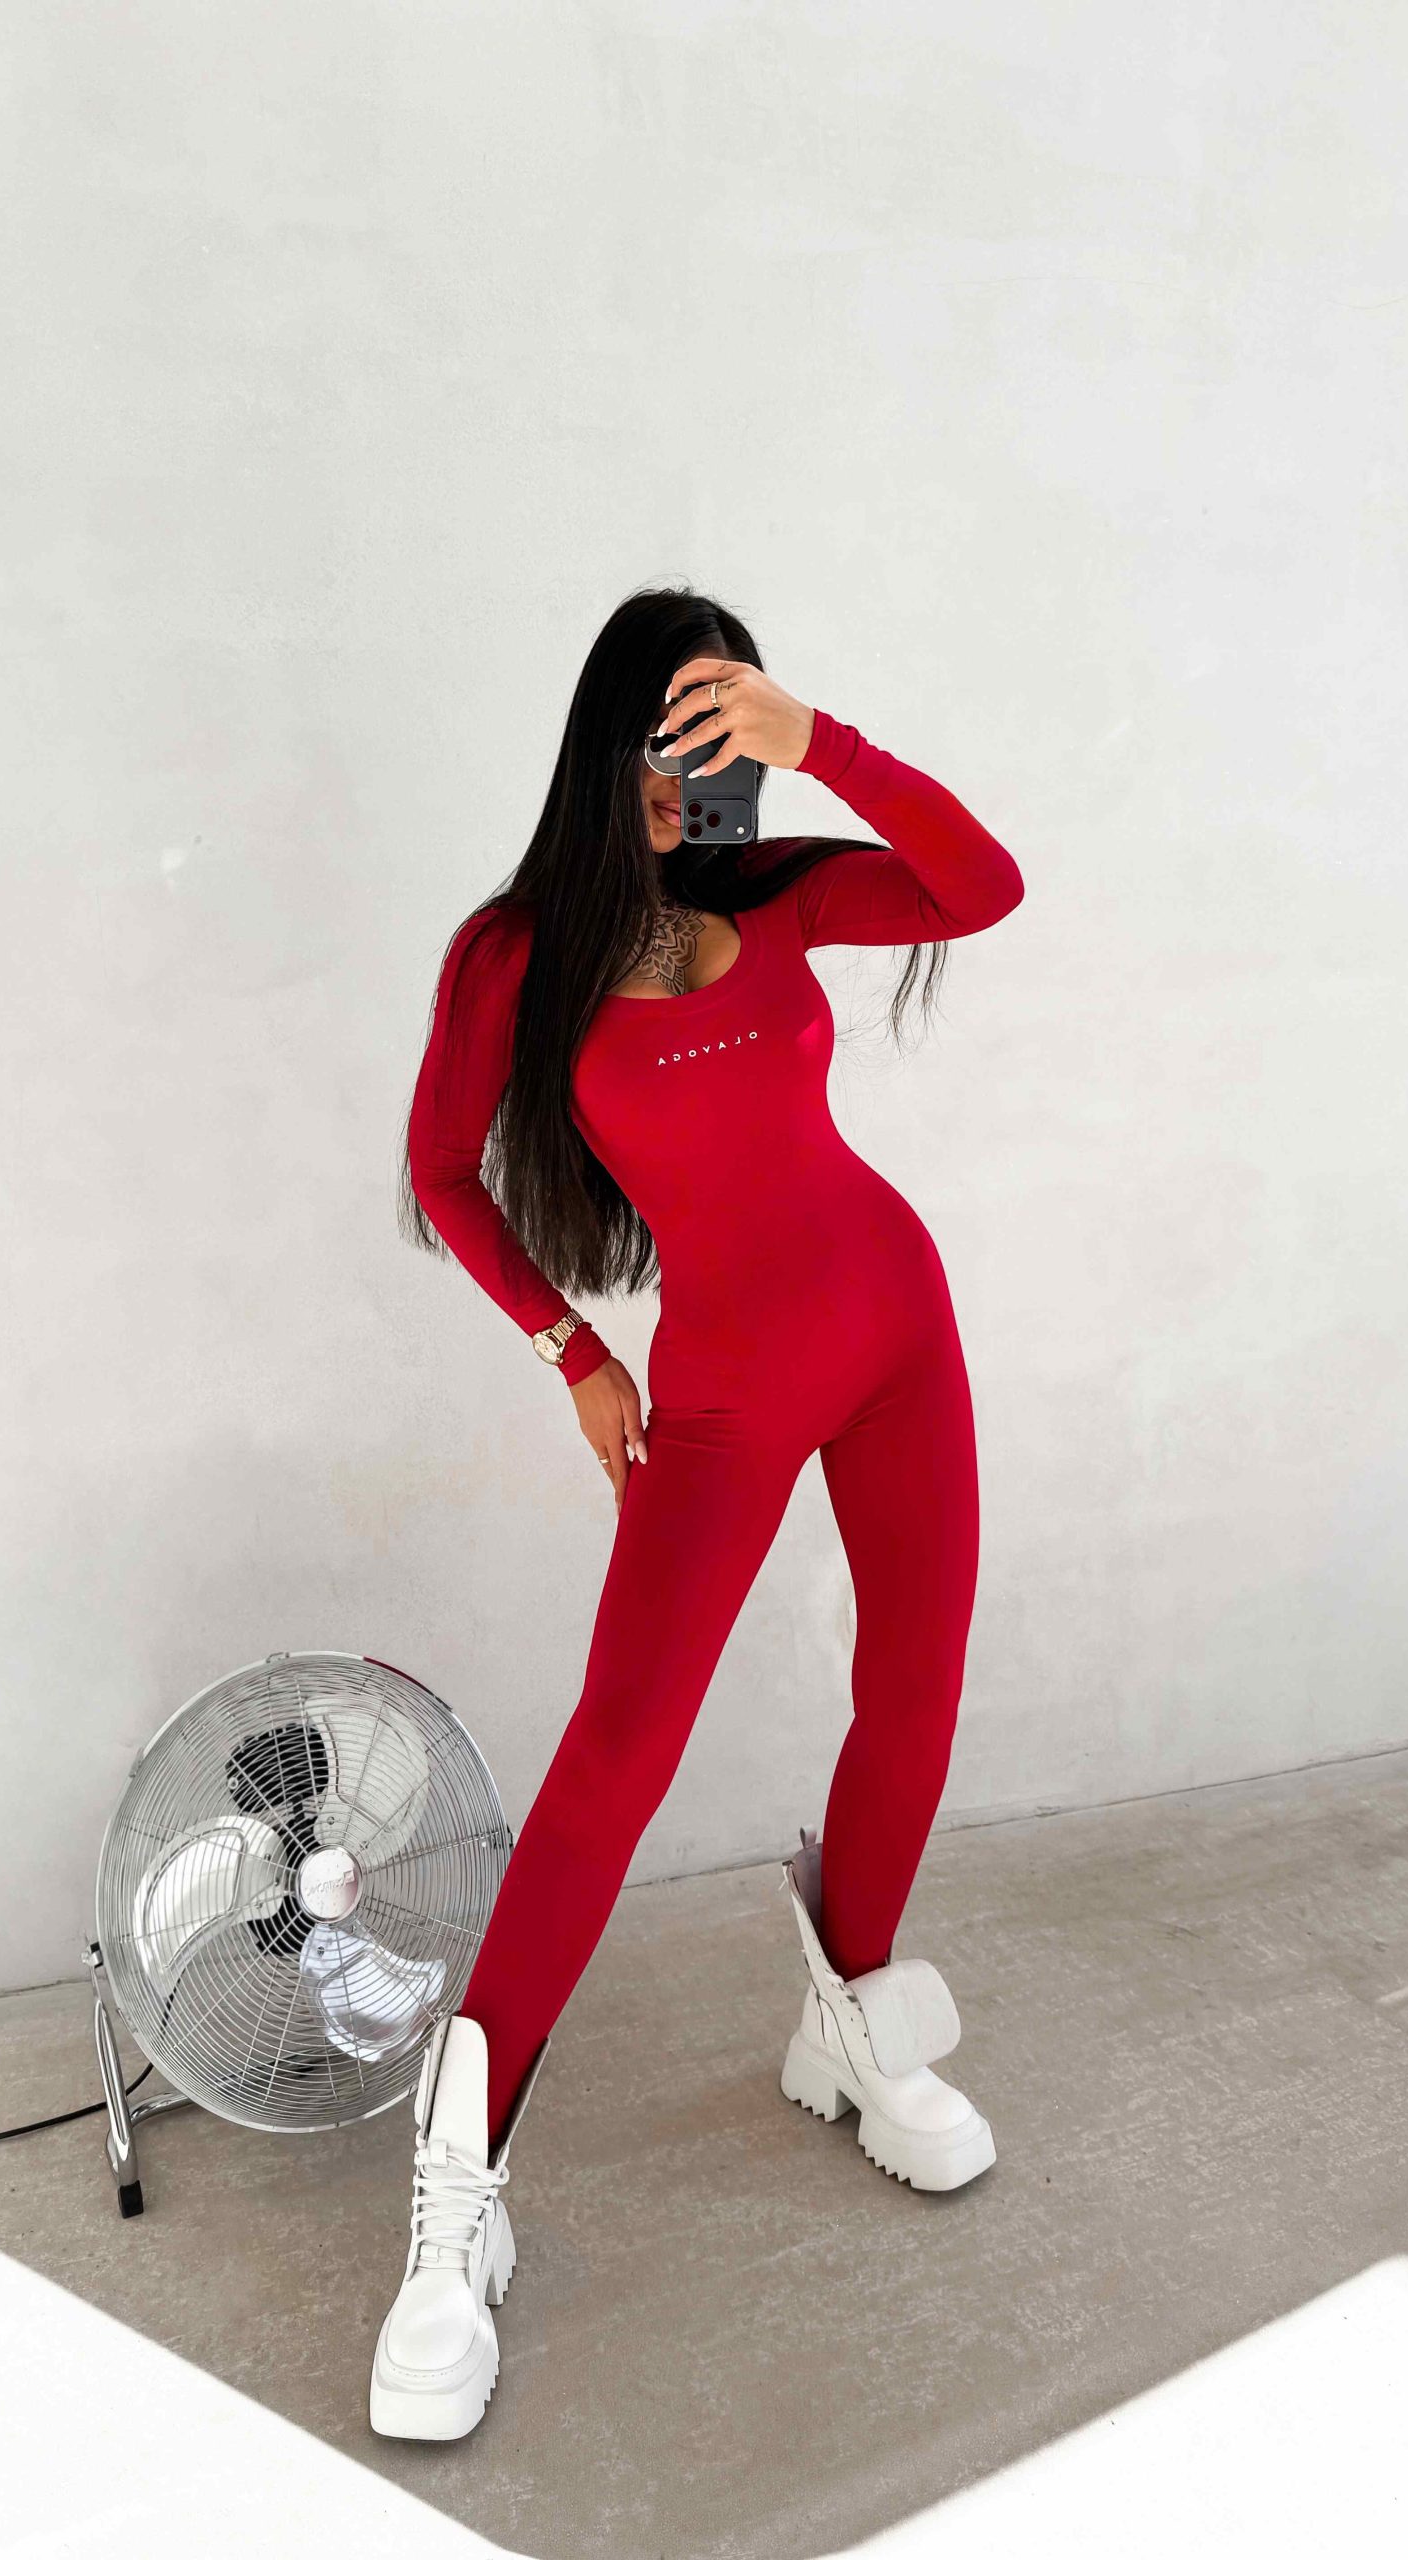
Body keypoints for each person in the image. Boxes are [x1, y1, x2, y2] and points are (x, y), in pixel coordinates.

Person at [371, 587, 1025, 2440]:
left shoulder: (783, 892)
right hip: (724, 1394)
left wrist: (824, 745)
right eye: (673, 731)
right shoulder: (515, 953)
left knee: (914, 1691)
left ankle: (854, 2013)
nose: (698, 769)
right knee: (616, 1759)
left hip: (896, 1322)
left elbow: (983, 887)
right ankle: (458, 2191)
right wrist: (575, 1348)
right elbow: (441, 1168)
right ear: (610, 739)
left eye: (724, 730)